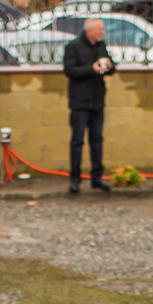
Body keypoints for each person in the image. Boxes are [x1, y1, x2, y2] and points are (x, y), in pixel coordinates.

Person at [62, 18, 116, 194]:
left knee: (97, 140)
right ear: (90, 31)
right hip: (80, 102)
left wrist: (108, 66)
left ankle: (97, 177)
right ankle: (75, 179)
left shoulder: (100, 46)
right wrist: (91, 69)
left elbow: (112, 67)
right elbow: (69, 71)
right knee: (77, 141)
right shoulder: (74, 47)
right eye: (101, 29)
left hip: (97, 101)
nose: (103, 32)